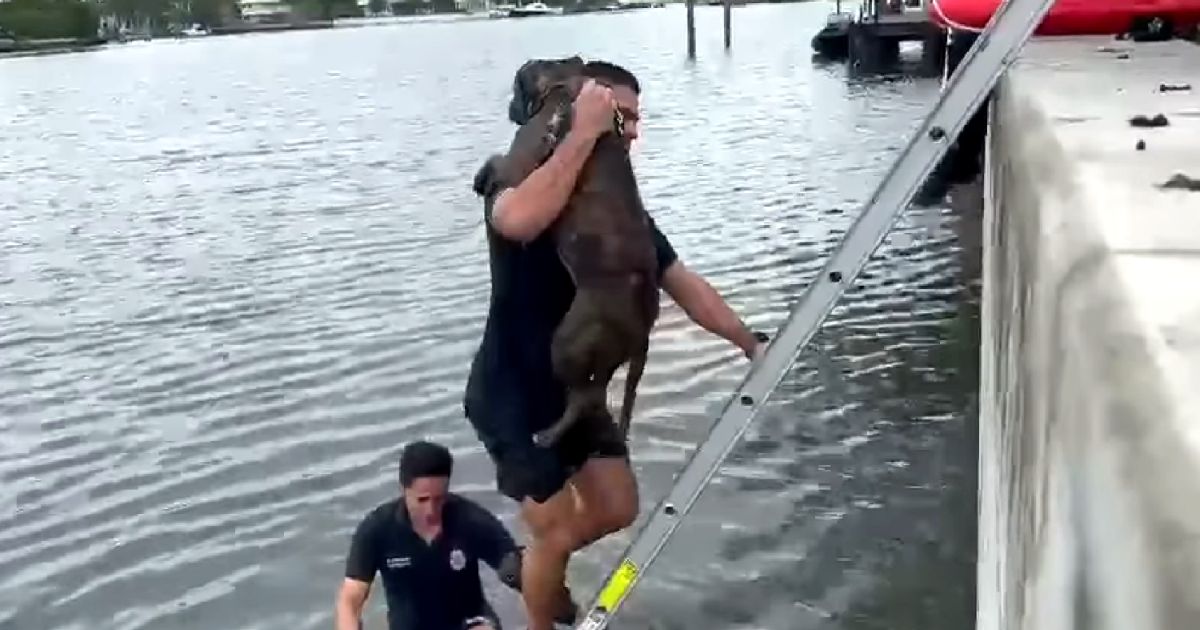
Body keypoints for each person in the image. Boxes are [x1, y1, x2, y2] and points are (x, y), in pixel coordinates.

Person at [464, 60, 770, 630]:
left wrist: (748, 342)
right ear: (579, 110)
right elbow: (517, 222)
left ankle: (536, 567)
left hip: (573, 389)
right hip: (512, 395)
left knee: (617, 507)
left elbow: (683, 284)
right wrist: (583, 133)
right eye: (618, 116)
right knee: (555, 528)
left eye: (632, 120)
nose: (629, 131)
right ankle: (541, 610)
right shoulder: (519, 175)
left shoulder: (618, 213)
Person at [335, 440, 527, 630]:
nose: (431, 510)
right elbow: (350, 601)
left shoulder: (469, 519)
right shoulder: (377, 529)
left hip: (470, 623)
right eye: (422, 500)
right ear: (403, 489)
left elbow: (518, 570)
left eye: (439, 499)